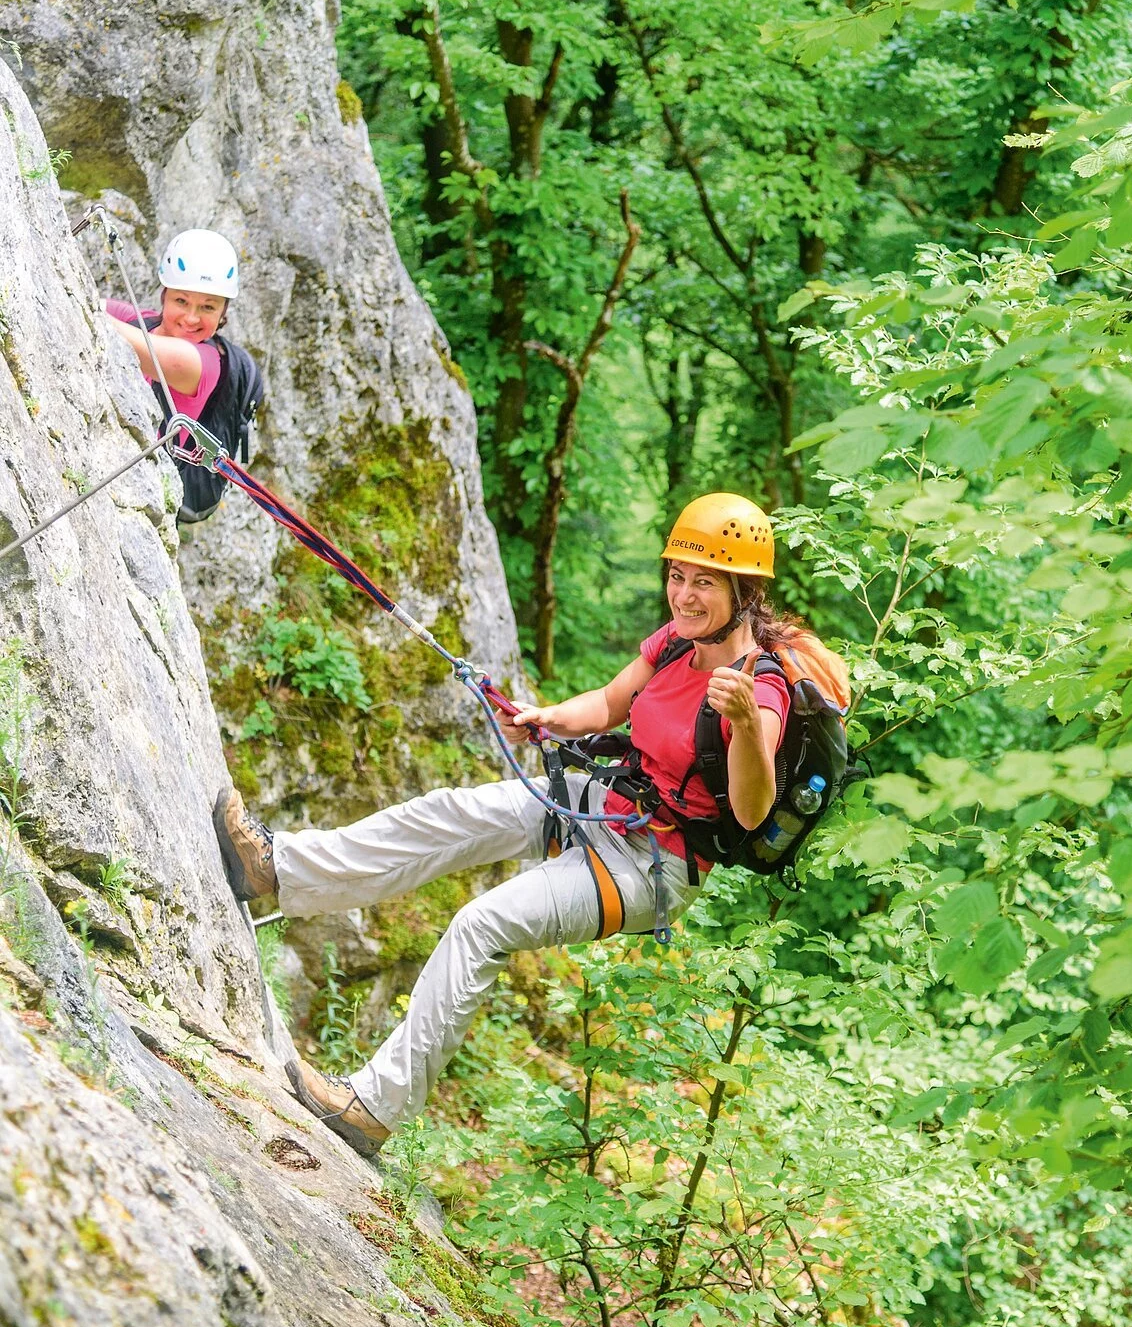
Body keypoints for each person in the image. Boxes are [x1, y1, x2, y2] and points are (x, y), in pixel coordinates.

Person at [212, 493, 848, 1158]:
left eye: (705, 582)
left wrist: (745, 723)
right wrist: (547, 716)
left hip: (649, 867)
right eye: (677, 576)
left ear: (743, 591)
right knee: (451, 813)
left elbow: (750, 809)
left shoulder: (761, 686)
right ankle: (276, 869)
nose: (683, 596)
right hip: (604, 804)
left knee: (480, 925)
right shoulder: (675, 644)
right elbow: (608, 703)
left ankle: (374, 1108)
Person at [104, 228, 262, 524]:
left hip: (142, 502)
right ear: (164, 295)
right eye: (181, 301)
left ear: (222, 311)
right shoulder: (141, 321)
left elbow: (98, 321)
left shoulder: (202, 363)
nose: (191, 318)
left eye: (207, 307)